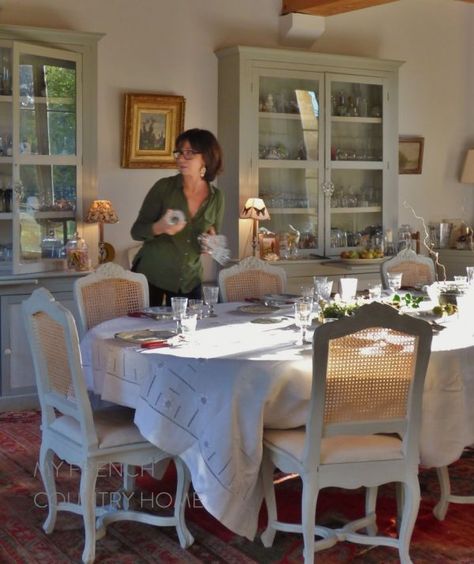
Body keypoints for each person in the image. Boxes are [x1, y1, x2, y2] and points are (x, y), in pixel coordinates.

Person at [130, 128, 224, 306]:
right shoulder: (164, 188)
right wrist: (160, 227)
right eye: (179, 152)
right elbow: (136, 231)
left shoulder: (217, 197)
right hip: (152, 276)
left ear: (207, 157)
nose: (181, 158)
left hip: (190, 280)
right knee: (148, 332)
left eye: (189, 153)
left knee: (190, 331)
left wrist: (211, 243)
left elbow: (212, 238)